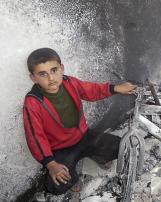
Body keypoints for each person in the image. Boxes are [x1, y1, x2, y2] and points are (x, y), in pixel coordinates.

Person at [23, 48, 136, 195]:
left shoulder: (69, 82)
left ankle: (94, 154)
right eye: (42, 74)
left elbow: (91, 90)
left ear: (61, 69)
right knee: (56, 186)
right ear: (33, 78)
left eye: (54, 70)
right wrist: (51, 164)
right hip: (61, 150)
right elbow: (35, 137)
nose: (51, 78)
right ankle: (73, 177)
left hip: (84, 137)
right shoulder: (33, 102)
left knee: (120, 147)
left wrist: (115, 88)